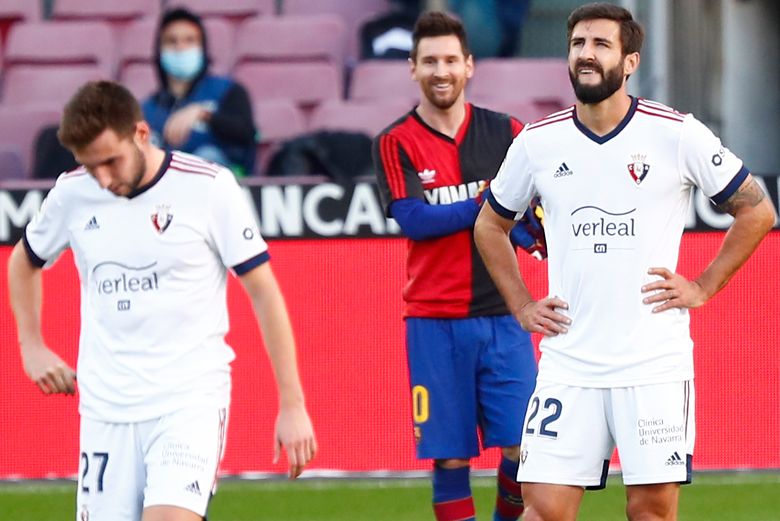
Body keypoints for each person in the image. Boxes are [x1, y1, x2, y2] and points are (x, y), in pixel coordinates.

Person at [474, 3, 776, 521]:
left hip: (653, 365)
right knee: (542, 509)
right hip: (570, 362)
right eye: (578, 45)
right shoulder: (538, 143)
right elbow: (489, 224)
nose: (586, 55)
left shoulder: (676, 133)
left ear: (630, 60)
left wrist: (702, 286)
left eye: (600, 45)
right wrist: (522, 304)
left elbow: (757, 210)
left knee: (651, 512)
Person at [6, 81, 316, 521]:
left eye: (110, 161)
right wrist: (31, 345)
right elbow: (23, 261)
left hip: (188, 403)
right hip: (105, 411)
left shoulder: (209, 187)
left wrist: (293, 405)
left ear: (141, 133)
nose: (104, 179)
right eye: (92, 168)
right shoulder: (72, 194)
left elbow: (264, 293)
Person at [372, 11, 543, 521]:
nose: (440, 70)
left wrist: (535, 232)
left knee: (523, 449)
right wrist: (487, 204)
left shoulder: (508, 132)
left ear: (469, 66)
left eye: (450, 60)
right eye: (429, 61)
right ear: (413, 69)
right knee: (449, 457)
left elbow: (529, 214)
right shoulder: (395, 140)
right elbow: (415, 219)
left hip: (506, 315)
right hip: (434, 320)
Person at [142, 8, 256, 177]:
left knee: (206, 156)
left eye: (189, 40)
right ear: (159, 51)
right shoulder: (148, 109)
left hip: (224, 187)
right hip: (169, 193)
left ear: (202, 48)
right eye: (171, 41)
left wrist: (204, 115)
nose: (180, 47)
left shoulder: (229, 91)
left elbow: (247, 134)